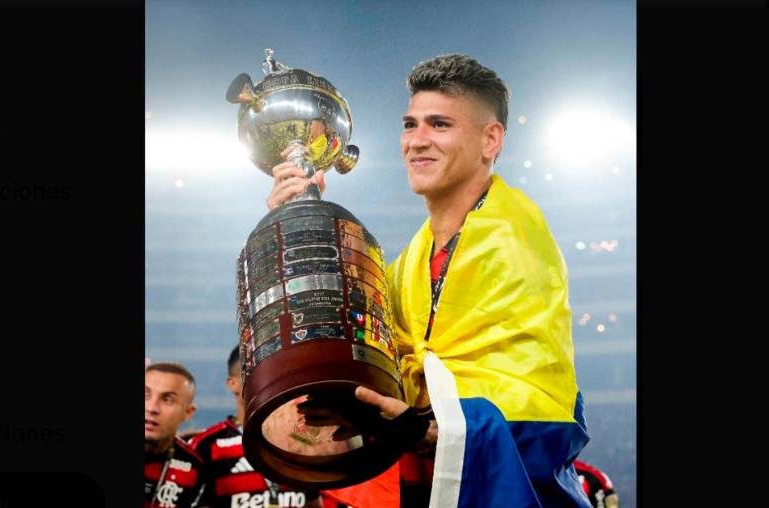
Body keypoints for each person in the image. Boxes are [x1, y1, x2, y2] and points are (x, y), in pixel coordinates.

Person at [267, 54, 590, 507]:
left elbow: (533, 407)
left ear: (489, 139)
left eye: (439, 125)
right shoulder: (415, 258)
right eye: (409, 124)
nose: (416, 142)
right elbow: (366, 338)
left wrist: (421, 427)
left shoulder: (513, 242)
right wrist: (300, 222)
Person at [188, 346, 322, 508]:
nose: (269, 381)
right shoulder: (205, 445)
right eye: (257, 374)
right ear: (233, 384)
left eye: (277, 373)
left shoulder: (302, 441)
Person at [145, 362, 205, 508]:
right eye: (145, 395)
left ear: (188, 412)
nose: (152, 408)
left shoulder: (195, 467)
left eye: (167, 399)